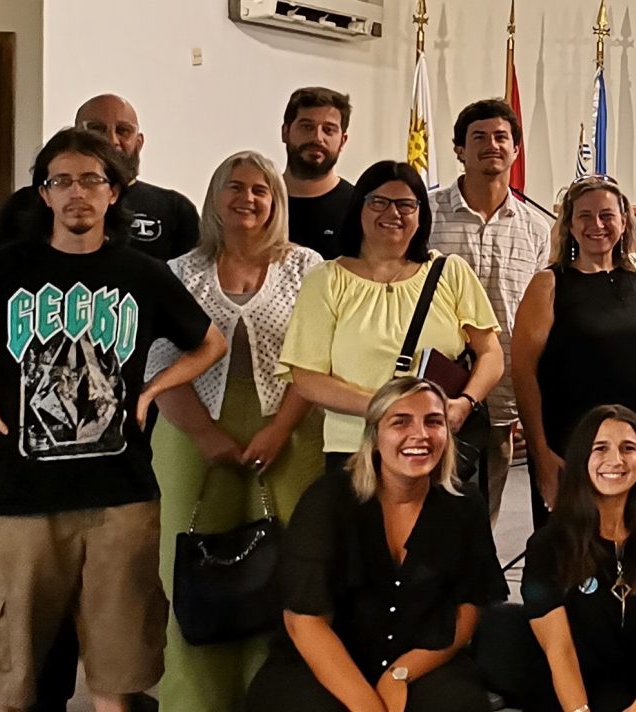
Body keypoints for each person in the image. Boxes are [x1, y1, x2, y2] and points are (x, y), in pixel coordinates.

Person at [0, 128, 225, 712]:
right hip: (17, 497)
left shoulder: (142, 274)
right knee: (10, 675)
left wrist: (152, 390)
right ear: (44, 194)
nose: (77, 192)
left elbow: (211, 342)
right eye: (61, 181)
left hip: (120, 498)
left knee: (118, 673)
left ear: (114, 192)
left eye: (91, 179)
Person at [146, 150, 329, 710]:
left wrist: (279, 430)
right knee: (192, 569)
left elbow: (317, 359)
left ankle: (269, 696)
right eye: (235, 187)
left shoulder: (307, 267)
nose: (246, 198)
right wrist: (206, 436)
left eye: (260, 189)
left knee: (284, 569)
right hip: (190, 430)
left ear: (276, 201)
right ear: (215, 197)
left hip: (290, 430)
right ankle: (195, 700)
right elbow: (158, 365)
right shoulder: (180, 271)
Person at [244, 378, 503, 712]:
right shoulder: (327, 499)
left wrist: (400, 674)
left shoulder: (465, 505)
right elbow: (304, 622)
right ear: (375, 436)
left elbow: (468, 609)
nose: (420, 434)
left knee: (459, 705)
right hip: (326, 660)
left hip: (417, 656)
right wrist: (369, 707)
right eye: (401, 422)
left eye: (433, 422)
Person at [280, 161, 505, 487]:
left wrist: (464, 403)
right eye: (379, 202)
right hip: (356, 449)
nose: (393, 213)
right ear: (359, 208)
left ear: (421, 214)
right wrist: (386, 409)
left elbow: (491, 354)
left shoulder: (450, 272)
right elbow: (307, 377)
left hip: (437, 448)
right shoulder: (325, 280)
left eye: (405, 204)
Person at [514, 175, 636, 521]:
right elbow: (523, 374)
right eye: (585, 215)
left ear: (624, 221)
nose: (597, 225)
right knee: (577, 547)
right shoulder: (549, 284)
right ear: (569, 224)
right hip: (574, 448)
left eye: (607, 215)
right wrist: (541, 454)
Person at [517, 407, 636, 712]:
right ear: (581, 459)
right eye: (600, 448)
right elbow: (560, 649)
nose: (616, 460)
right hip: (570, 700)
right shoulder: (547, 547)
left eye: (628, 448)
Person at [429, 98, 554, 518]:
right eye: (478, 137)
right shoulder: (427, 215)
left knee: (484, 514)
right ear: (459, 150)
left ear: (516, 149)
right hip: (435, 386)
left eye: (501, 137)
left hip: (502, 394)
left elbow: (537, 321)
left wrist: (525, 407)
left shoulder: (537, 229)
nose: (492, 145)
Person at [0, 94, 200, 260]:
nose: (111, 140)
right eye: (96, 129)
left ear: (138, 142)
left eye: (123, 130)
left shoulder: (175, 209)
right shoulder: (26, 203)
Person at [282, 87, 359, 259]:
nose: (317, 138)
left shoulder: (359, 209)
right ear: (285, 132)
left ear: (343, 141)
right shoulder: (260, 202)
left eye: (328, 129)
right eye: (307, 126)